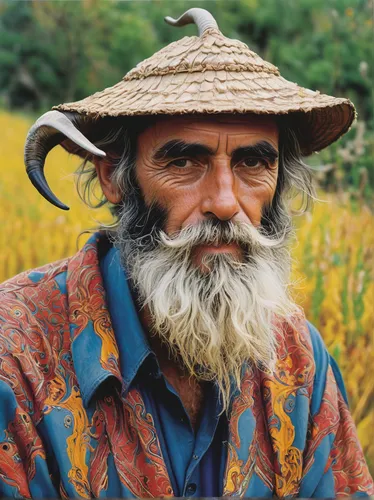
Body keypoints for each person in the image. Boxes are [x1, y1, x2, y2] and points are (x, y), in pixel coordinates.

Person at [0, 7, 372, 499]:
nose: (224, 201)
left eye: (254, 162)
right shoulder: (16, 358)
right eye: (184, 160)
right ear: (115, 175)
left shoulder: (299, 361)